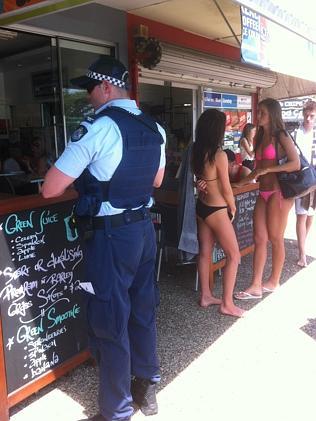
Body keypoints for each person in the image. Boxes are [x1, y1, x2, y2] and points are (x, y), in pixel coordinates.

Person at [41, 56, 166, 421]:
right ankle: (148, 385)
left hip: (112, 237)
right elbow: (156, 182)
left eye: (91, 89)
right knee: (142, 310)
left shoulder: (99, 128)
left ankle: (117, 410)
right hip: (144, 229)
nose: (89, 97)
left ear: (107, 87)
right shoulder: (153, 127)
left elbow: (51, 188)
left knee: (110, 321)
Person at [234, 98, 300, 300]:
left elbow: (295, 163)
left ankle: (274, 280)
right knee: (259, 238)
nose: (258, 115)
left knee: (275, 238)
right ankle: (255, 285)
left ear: (272, 113)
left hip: (279, 192)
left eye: (262, 112)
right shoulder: (259, 136)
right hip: (263, 191)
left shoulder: (281, 135)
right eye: (258, 111)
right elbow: (256, 170)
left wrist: (268, 169)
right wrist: (237, 184)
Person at [191, 109, 245, 317]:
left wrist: (199, 183)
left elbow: (199, 179)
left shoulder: (196, 150)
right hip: (216, 208)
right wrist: (233, 207)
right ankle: (227, 304)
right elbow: (226, 188)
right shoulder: (219, 155)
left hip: (202, 207)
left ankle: (206, 295)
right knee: (234, 255)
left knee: (205, 251)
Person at [293, 100, 316, 267]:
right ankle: (302, 254)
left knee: (310, 215)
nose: (308, 119)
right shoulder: (295, 133)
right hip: (302, 180)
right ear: (302, 114)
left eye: (312, 116)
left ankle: (303, 243)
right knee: (301, 215)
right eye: (306, 115)